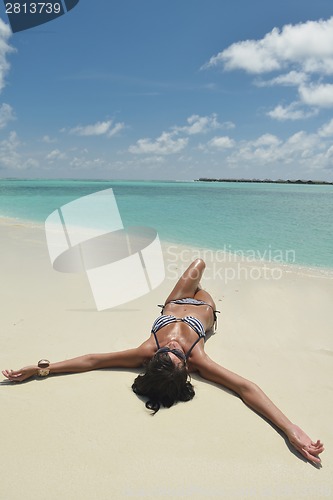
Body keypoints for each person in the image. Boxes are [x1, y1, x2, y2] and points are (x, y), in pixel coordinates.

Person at [2, 259, 324, 464]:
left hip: (173, 301)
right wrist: (290, 429)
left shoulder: (146, 351)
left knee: (198, 262)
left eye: (164, 350)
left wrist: (40, 368)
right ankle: (207, 290)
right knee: (202, 278)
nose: (171, 343)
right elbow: (245, 388)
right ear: (186, 368)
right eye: (175, 352)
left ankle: (192, 282)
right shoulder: (198, 358)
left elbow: (92, 360)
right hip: (202, 306)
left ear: (154, 358)